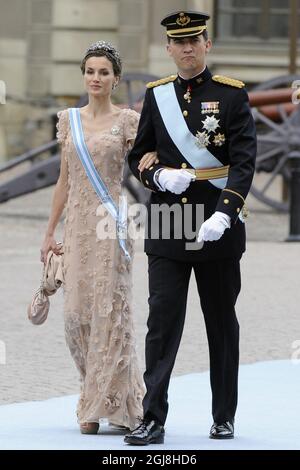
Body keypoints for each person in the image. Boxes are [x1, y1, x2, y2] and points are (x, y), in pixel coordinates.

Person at [124, 11, 256, 445]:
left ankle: (223, 416)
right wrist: (157, 177)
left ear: (207, 45)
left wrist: (227, 211)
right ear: (168, 48)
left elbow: (244, 161)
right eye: (178, 42)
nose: (186, 48)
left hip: (216, 220)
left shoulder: (232, 96)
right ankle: (153, 418)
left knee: (220, 322)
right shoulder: (156, 94)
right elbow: (138, 155)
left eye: (194, 40)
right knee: (161, 324)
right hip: (167, 220)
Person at [40, 41, 158, 434]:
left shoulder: (127, 121)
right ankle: (94, 390)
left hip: (111, 225)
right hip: (76, 226)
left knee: (109, 313)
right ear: (84, 75)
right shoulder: (68, 119)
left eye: (103, 72)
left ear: (116, 79)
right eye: (90, 71)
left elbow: (146, 163)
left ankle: (101, 405)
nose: (96, 78)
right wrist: (49, 231)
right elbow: (63, 180)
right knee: (75, 315)